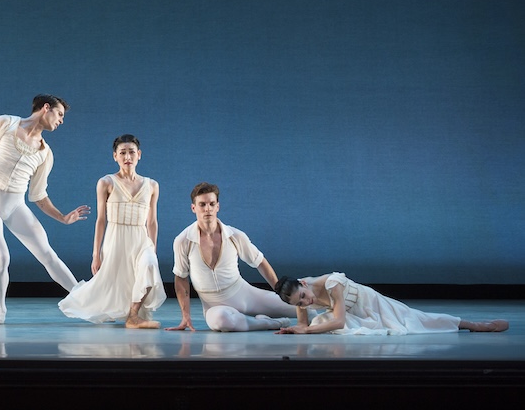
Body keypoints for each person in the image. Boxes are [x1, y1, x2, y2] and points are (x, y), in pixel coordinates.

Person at [0, 94, 90, 325]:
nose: (61, 120)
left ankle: (86, 301)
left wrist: (63, 217)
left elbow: (39, 196)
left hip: (15, 206)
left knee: (48, 255)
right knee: (1, 256)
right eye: (59, 114)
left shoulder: (45, 154)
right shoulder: (5, 123)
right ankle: (0, 310)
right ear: (45, 108)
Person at [59, 134, 166, 328]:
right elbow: (100, 220)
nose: (127, 157)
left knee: (149, 265)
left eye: (131, 152)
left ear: (139, 155)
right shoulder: (106, 182)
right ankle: (123, 313)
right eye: (122, 152)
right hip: (116, 237)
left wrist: (153, 249)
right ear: (115, 156)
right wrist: (95, 253)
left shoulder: (152, 185)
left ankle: (133, 316)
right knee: (116, 282)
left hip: (141, 239)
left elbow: (152, 221)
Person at [166, 182, 295, 332]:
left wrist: (280, 291)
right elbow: (181, 277)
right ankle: (271, 323)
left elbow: (260, 261)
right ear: (193, 208)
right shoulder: (183, 241)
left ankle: (258, 317)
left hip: (245, 295)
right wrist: (185, 316)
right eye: (202, 204)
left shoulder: (235, 236)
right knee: (222, 321)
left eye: (211, 204)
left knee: (301, 307)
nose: (207, 209)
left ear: (217, 207)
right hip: (214, 306)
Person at [273, 273, 509, 335]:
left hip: (372, 305)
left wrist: (305, 328)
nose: (306, 303)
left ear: (303, 283)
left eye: (303, 296)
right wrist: (294, 329)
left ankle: (474, 324)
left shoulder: (331, 283)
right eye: (300, 304)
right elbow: (303, 325)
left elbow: (339, 319)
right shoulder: (300, 302)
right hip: (351, 315)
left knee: (416, 320)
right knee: (324, 322)